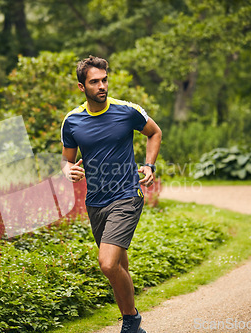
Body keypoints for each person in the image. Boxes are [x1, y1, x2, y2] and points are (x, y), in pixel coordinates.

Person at [60, 55, 162, 333]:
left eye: (104, 79)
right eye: (94, 82)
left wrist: (149, 165)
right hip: (95, 202)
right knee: (118, 267)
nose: (102, 86)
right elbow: (66, 159)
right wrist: (66, 170)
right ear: (82, 87)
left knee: (107, 264)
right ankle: (133, 323)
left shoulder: (127, 111)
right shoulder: (72, 121)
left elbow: (154, 133)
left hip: (127, 196)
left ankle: (131, 321)